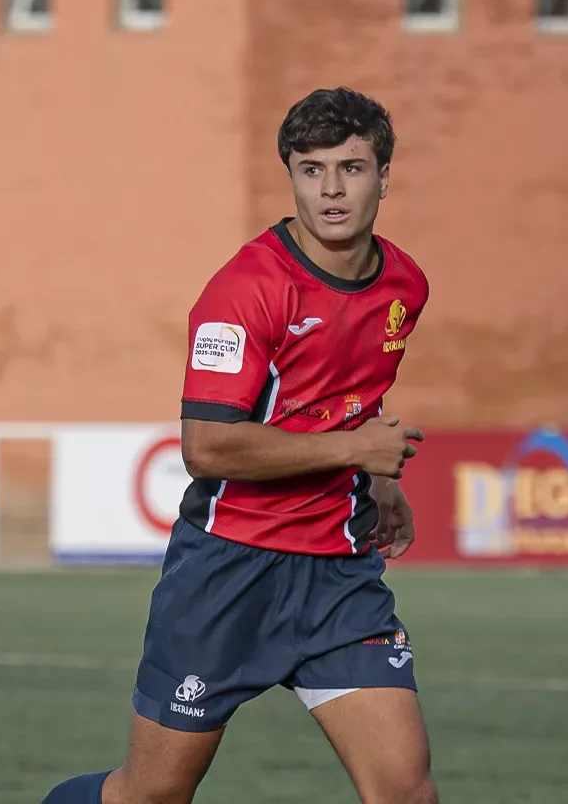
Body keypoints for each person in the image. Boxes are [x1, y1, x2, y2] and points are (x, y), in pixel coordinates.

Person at [40, 87, 436, 804]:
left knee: (405, 792)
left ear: (385, 175)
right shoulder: (244, 291)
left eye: (351, 167)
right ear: (290, 176)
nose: (332, 189)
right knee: (150, 796)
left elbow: (352, 394)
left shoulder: (406, 284)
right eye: (311, 170)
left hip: (338, 576)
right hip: (228, 573)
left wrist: (380, 482)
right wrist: (356, 453)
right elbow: (209, 448)